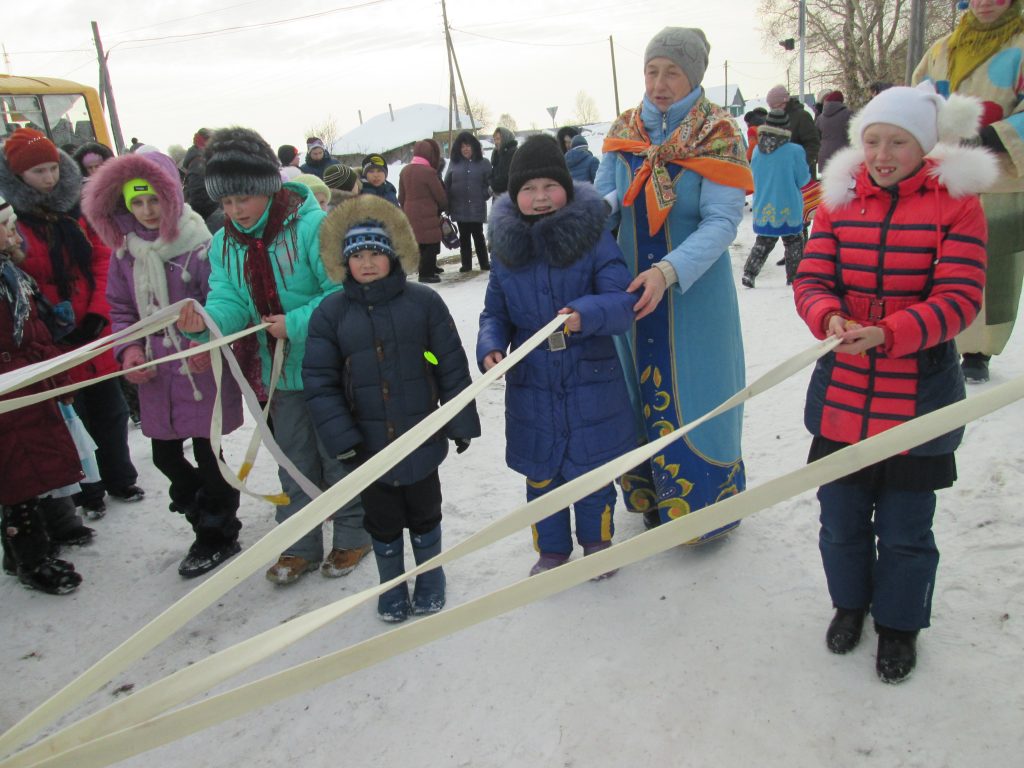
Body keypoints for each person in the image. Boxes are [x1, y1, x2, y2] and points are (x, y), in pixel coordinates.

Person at [794, 83, 996, 684]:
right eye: (873, 140)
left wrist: (891, 332)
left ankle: (901, 624)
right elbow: (812, 277)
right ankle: (849, 604)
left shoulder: (957, 204)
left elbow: (959, 298)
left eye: (898, 142)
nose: (883, 155)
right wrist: (827, 316)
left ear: (924, 145)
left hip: (918, 394)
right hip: (844, 393)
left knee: (907, 528)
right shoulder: (837, 200)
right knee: (841, 519)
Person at [175, 127, 370, 586]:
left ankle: (353, 533)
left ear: (266, 186)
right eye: (225, 202)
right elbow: (228, 298)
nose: (234, 210)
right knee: (292, 458)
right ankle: (300, 543)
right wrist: (207, 320)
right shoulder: (224, 244)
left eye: (242, 198)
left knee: (337, 452)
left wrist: (295, 323)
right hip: (276, 372)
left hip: (328, 366)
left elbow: (342, 292)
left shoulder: (313, 227)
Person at [596, 27, 751, 537]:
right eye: (652, 71)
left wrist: (668, 271)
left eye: (672, 73)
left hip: (693, 293)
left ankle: (704, 508)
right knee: (634, 390)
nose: (659, 84)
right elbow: (605, 200)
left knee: (699, 392)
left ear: (694, 77)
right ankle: (651, 496)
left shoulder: (719, 134)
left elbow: (721, 220)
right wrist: (575, 220)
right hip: (631, 292)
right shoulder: (625, 131)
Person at [305, 195, 480, 621]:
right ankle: (392, 584)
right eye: (357, 256)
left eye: (375, 254)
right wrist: (342, 439)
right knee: (381, 519)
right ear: (345, 262)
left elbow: (449, 363)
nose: (366, 263)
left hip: (420, 434)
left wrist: (458, 420)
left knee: (424, 512)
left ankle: (430, 575)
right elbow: (321, 381)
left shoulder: (423, 303)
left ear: (393, 255)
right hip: (368, 445)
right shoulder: (331, 313)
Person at [82, 149, 247, 578]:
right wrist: (129, 351)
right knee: (165, 457)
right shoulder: (126, 254)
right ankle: (204, 514)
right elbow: (121, 308)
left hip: (199, 367)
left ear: (172, 196)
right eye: (136, 202)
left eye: (155, 199)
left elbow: (222, 299)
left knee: (209, 454)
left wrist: (204, 341)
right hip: (156, 372)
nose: (147, 210)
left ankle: (218, 533)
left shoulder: (201, 246)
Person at [478, 135, 636, 576]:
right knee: (542, 476)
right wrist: (490, 346)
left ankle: (598, 544)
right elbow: (495, 313)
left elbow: (622, 302)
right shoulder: (506, 250)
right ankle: (552, 550)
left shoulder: (593, 238)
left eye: (550, 186)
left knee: (591, 473)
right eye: (529, 189)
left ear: (566, 187)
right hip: (534, 385)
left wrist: (586, 314)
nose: (541, 197)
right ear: (514, 194)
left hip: (591, 381)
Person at [0, 128, 144, 520]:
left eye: (52, 168)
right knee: (71, 413)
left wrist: (99, 313)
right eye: (38, 172)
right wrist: (49, 323)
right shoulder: (13, 221)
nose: (49, 178)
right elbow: (21, 276)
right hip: (48, 332)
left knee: (110, 408)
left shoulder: (77, 207)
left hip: (92, 324)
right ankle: (87, 487)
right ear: (17, 176)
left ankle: (120, 476)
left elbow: (103, 257)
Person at [913, 0, 1024, 383]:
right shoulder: (942, 48)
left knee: (993, 263)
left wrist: (996, 135)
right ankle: (933, 333)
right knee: (932, 257)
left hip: (999, 176)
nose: (986, 3)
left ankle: (979, 349)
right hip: (942, 174)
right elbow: (918, 95)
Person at [0, 205, 87, 595]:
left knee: (27, 473)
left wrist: (56, 373)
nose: (14, 234)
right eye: (5, 227)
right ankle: (32, 560)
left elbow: (34, 331)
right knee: (18, 479)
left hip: (25, 384)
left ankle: (21, 551)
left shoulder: (10, 274)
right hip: (10, 392)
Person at [742, 108, 811, 288]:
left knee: (764, 241)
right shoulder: (795, 151)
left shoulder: (757, 151)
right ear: (786, 128)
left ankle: (749, 273)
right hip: (789, 204)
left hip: (764, 202)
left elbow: (753, 175)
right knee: (794, 241)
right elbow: (803, 179)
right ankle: (794, 277)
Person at [398, 139, 448, 284]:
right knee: (431, 242)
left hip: (409, 213)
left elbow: (401, 196)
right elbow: (440, 195)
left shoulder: (405, 171)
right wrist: (444, 206)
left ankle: (427, 268)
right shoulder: (429, 172)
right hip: (427, 212)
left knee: (419, 242)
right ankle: (427, 274)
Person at [443, 131, 491, 272]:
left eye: (468, 146)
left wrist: (484, 194)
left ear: (474, 146)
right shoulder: (454, 163)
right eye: (462, 146)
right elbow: (447, 184)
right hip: (459, 206)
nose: (465, 149)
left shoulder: (484, 163)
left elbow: (490, 183)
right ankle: (466, 265)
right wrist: (447, 203)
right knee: (464, 237)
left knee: (478, 235)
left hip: (477, 206)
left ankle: (484, 263)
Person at [766, 84, 821, 179]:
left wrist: (799, 164)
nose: (773, 110)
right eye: (771, 107)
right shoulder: (774, 118)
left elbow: (813, 144)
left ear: (784, 102)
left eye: (775, 106)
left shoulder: (802, 116)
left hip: (801, 173)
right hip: (781, 173)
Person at [182, 128, 218, 221]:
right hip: (207, 219)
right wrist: (219, 206)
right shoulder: (199, 163)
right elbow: (199, 196)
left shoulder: (202, 160)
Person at [815, 90, 852, 174]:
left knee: (828, 181)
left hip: (824, 156)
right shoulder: (848, 114)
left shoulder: (820, 118)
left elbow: (815, 137)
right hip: (843, 155)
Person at [489, 127, 518, 196]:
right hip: (497, 194)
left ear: (505, 138)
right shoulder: (497, 153)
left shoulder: (514, 153)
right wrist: (491, 183)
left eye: (498, 139)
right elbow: (493, 172)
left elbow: (509, 177)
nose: (496, 142)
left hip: (510, 196)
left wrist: (494, 186)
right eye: (494, 139)